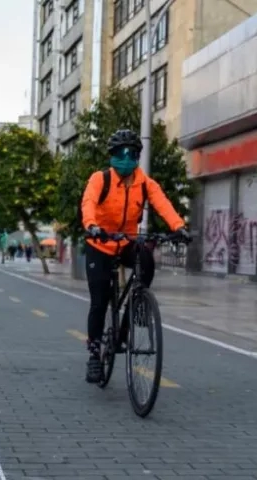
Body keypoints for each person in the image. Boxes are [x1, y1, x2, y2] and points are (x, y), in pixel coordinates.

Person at [80, 129, 190, 383]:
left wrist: (178, 227)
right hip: (101, 242)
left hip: (127, 241)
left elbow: (163, 204)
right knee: (99, 302)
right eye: (121, 153)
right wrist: (92, 225)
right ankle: (95, 356)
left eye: (131, 153)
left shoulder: (145, 184)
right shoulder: (100, 179)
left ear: (138, 156)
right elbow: (88, 203)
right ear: (112, 155)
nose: (126, 158)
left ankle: (135, 309)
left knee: (147, 258)